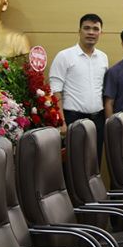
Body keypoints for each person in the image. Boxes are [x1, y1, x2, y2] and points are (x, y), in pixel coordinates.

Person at [48, 13, 108, 157]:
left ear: (101, 33)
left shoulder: (103, 57)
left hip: (98, 120)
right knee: (74, 164)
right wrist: (62, 122)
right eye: (87, 28)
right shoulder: (64, 56)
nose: (91, 32)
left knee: (94, 162)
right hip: (73, 119)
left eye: (95, 29)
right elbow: (55, 91)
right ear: (79, 31)